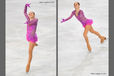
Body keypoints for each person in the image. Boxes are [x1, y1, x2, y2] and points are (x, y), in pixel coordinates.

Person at [24, 3, 38, 72]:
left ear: (34, 15)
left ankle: (28, 64)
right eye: (29, 14)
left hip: (32, 37)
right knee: (30, 47)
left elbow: (30, 23)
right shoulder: (28, 19)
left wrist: (27, 22)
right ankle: (34, 44)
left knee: (29, 52)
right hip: (28, 36)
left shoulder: (35, 19)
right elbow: (24, 12)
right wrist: (25, 6)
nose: (29, 14)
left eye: (31, 13)